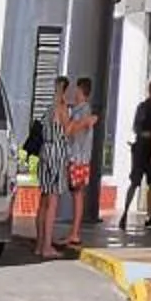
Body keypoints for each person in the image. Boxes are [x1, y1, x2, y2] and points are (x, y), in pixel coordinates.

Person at [34, 77, 73, 260]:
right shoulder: (61, 108)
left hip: (44, 151)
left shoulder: (47, 108)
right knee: (53, 201)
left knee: (43, 200)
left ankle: (39, 244)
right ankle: (47, 246)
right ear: (66, 90)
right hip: (57, 152)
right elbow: (68, 130)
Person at [62, 76, 102, 242]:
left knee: (77, 194)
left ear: (80, 91)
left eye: (76, 90)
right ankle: (74, 231)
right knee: (76, 194)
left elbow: (70, 131)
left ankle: (75, 233)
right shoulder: (81, 111)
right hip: (77, 157)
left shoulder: (82, 110)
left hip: (78, 158)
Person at [123, 80, 151, 234]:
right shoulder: (143, 107)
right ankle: (125, 211)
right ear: (149, 90)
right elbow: (136, 126)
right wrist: (142, 133)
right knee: (135, 182)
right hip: (141, 150)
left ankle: (150, 214)